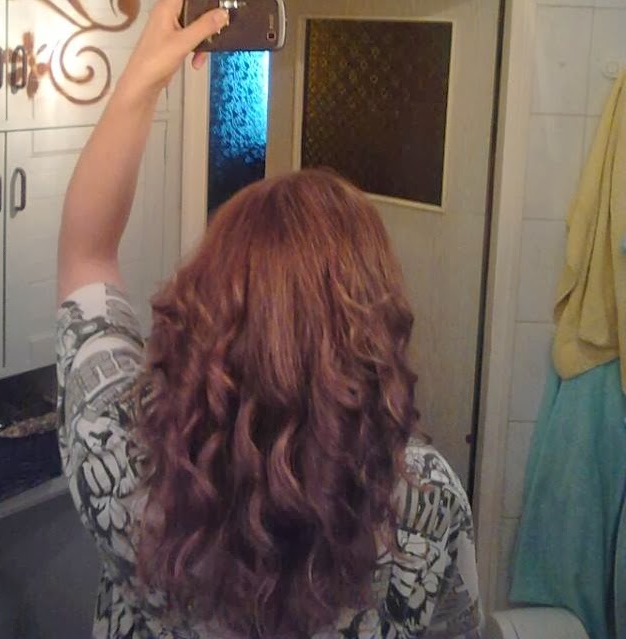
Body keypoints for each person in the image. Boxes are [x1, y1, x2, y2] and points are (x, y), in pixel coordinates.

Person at [56, 1, 482, 637]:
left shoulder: (126, 465)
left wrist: (144, 73)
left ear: (209, 312)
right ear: (371, 332)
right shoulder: (424, 501)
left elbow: (86, 253)